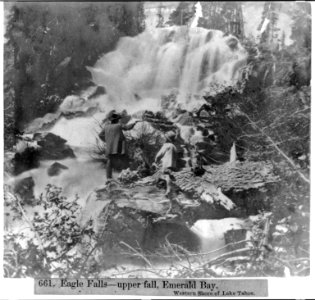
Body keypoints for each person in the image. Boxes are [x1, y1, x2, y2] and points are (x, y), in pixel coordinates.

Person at [99, 111, 139, 180]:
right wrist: (134, 123)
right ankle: (126, 176)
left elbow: (100, 135)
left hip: (110, 147)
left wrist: (106, 140)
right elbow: (127, 128)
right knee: (124, 160)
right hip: (119, 146)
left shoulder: (106, 127)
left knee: (110, 161)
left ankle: (109, 178)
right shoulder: (119, 125)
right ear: (117, 120)